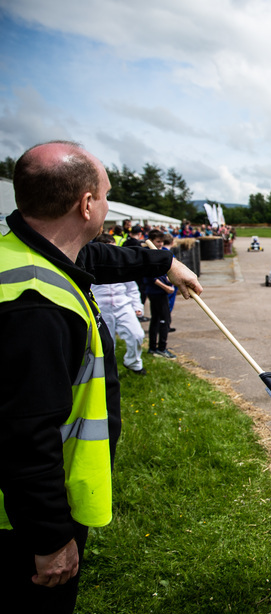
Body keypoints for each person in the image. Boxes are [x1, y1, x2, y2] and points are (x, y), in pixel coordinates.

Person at [0, 141, 201, 613]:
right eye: (106, 195)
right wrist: (50, 539)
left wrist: (163, 262)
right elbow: (25, 436)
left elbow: (99, 260)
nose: (108, 207)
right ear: (86, 204)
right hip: (23, 522)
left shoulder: (26, 255)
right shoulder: (37, 307)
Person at [90, 235, 147, 376]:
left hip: (123, 305)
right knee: (107, 343)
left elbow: (132, 288)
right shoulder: (91, 267)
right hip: (101, 308)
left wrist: (137, 307)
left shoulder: (122, 266)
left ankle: (133, 363)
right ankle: (107, 371)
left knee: (137, 335)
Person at [143, 230, 177, 360]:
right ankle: (161, 348)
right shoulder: (149, 255)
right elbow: (151, 278)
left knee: (156, 319)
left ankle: (153, 347)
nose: (160, 244)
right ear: (150, 240)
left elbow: (165, 272)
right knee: (164, 320)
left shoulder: (162, 253)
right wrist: (166, 287)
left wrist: (170, 280)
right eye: (158, 242)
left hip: (161, 291)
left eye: (162, 242)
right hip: (156, 292)